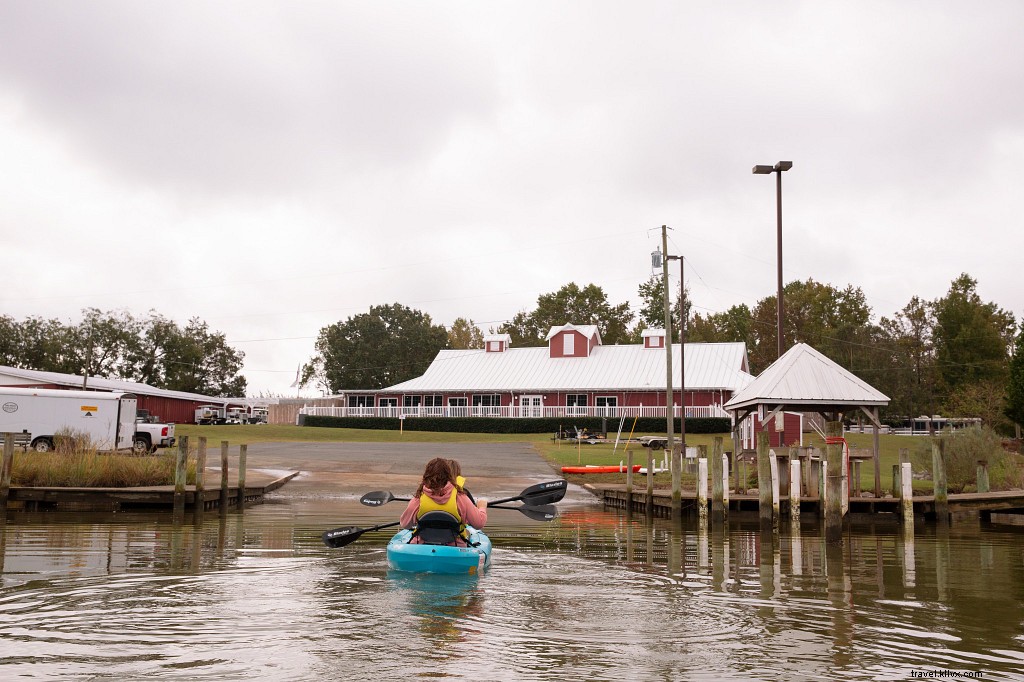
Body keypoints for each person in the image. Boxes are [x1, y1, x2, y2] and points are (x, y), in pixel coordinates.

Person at [399, 457, 487, 546]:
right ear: (449, 475)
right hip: (455, 547)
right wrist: (482, 507)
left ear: (426, 475)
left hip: (422, 546)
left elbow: (405, 525)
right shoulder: (460, 497)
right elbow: (478, 524)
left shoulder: (419, 498)